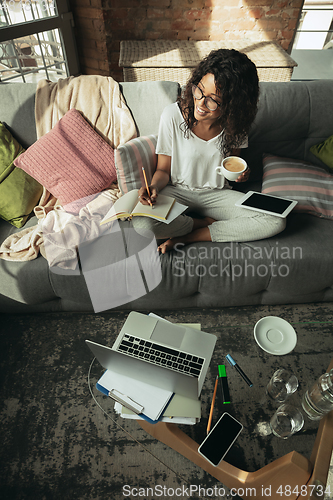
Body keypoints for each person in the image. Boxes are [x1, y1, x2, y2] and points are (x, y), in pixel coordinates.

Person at [134, 48, 286, 253]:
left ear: (233, 106)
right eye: (200, 90)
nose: (201, 103)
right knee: (142, 225)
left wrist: (240, 176)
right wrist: (153, 187)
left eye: (213, 100)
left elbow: (231, 168)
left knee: (275, 220)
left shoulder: (236, 125)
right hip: (177, 191)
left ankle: (191, 236)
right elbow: (163, 170)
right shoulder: (171, 115)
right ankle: (202, 223)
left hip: (218, 195)